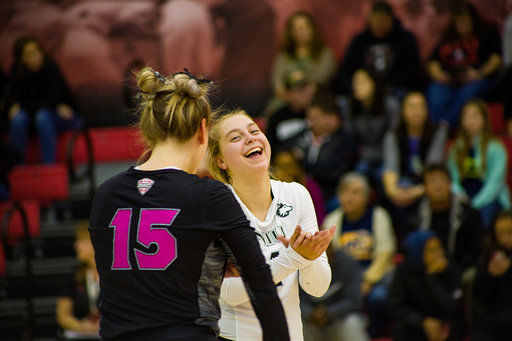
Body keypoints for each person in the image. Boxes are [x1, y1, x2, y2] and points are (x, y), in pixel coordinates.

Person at [89, 68, 290, 341]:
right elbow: (262, 287)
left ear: (149, 128)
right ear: (203, 129)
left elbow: (122, 286)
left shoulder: (107, 193)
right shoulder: (209, 195)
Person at [207, 109, 334, 341]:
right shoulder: (214, 206)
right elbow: (229, 293)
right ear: (220, 160)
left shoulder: (296, 195)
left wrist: (308, 257)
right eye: (236, 137)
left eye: (254, 131)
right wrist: (295, 257)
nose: (250, 138)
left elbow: (318, 288)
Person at [323, 172, 396, 338]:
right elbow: (329, 258)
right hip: (344, 279)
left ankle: (372, 335)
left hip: (375, 277)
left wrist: (368, 280)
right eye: (345, 191)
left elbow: (386, 253)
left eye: (355, 192)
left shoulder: (378, 216)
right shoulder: (331, 220)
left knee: (379, 297)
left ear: (366, 196)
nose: (349, 197)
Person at [426, 1, 502, 127]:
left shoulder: (487, 35)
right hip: (450, 81)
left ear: (473, 20)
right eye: (459, 21)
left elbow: (496, 59)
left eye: (465, 21)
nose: (462, 25)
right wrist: (440, 76)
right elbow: (433, 62)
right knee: (436, 92)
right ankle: (436, 127)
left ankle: (444, 126)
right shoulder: (448, 38)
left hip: (478, 80)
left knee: (467, 93)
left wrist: (480, 73)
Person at [8, 36, 82, 164]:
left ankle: (48, 167)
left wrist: (24, 106)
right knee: (18, 118)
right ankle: (17, 167)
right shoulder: (16, 72)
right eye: (30, 54)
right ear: (21, 59)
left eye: (38, 51)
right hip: (34, 117)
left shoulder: (51, 68)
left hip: (62, 117)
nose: (36, 56)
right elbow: (15, 98)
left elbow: (52, 100)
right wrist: (20, 107)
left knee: (42, 116)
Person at [284, 91, 358, 210]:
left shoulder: (345, 142)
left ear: (332, 118)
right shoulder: (306, 134)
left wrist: (303, 161)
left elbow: (333, 173)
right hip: (301, 191)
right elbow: (284, 146)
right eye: (310, 119)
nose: (311, 123)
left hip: (329, 195)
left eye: (315, 119)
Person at [333, 0, 422, 97]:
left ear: (391, 20)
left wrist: (385, 86)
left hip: (395, 90)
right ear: (370, 19)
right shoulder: (359, 41)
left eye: (383, 20)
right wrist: (357, 85)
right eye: (376, 20)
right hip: (363, 92)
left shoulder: (405, 40)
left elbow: (413, 73)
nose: (379, 25)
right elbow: (345, 72)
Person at [391, 230, 465, 341]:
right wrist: (423, 322)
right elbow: (397, 307)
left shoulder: (450, 268)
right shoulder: (404, 271)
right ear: (418, 251)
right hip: (418, 322)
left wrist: (432, 279)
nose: (438, 254)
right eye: (431, 250)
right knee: (400, 328)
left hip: (444, 322)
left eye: (439, 248)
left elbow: (453, 307)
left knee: (455, 326)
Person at [447, 100, 511, 228]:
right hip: (464, 196)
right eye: (467, 117)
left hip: (489, 197)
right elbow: (452, 179)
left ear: (484, 119)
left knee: (481, 219)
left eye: (475, 116)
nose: (471, 121)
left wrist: (475, 203)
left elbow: (495, 183)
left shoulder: (496, 148)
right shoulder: (456, 148)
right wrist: (461, 196)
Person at [410, 164, 483, 273]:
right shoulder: (415, 216)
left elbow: (476, 251)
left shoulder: (469, 214)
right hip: (425, 272)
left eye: (441, 180)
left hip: (461, 269)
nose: (438, 186)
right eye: (432, 181)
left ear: (450, 184)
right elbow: (412, 252)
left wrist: (451, 268)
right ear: (425, 187)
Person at [383, 92, 448, 210]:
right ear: (403, 111)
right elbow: (390, 169)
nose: (416, 112)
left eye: (421, 107)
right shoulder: (393, 135)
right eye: (412, 107)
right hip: (403, 182)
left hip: (428, 183)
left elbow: (433, 169)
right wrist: (394, 192)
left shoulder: (438, 132)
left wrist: (416, 191)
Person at [337, 68, 400, 184]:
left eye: (362, 82)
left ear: (374, 83)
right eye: (355, 82)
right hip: (362, 157)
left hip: (386, 155)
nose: (357, 86)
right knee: (353, 182)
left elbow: (393, 135)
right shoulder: (350, 106)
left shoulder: (389, 105)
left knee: (387, 180)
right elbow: (350, 134)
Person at [269, 11, 336, 113]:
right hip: (285, 106)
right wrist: (292, 97)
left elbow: (320, 81)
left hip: (315, 105)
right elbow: (278, 88)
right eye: (296, 28)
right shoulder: (283, 57)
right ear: (290, 32)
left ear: (312, 28)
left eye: (304, 26)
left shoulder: (325, 54)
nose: (301, 31)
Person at [300, 247, 370, 341]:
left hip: (339, 319)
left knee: (352, 323)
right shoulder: (299, 264)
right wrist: (310, 314)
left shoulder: (347, 263)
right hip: (310, 321)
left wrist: (329, 313)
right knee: (296, 323)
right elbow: (295, 301)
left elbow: (353, 301)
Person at [472, 210, 512, 341]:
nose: (506, 238)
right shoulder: (488, 256)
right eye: (501, 233)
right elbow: (480, 297)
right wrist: (490, 276)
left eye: (510, 232)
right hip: (495, 320)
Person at [56, 222, 100, 341]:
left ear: (94, 242)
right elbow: (62, 315)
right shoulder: (73, 276)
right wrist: (81, 327)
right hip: (82, 335)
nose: (76, 245)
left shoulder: (114, 275)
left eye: (81, 241)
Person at [272, 147, 326, 225]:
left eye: (289, 166)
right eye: (281, 167)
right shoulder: (271, 190)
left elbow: (320, 220)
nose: (285, 171)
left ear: (296, 167)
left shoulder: (310, 187)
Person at [266, 69, 316, 150]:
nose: (306, 93)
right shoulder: (277, 117)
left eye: (307, 87)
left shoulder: (321, 113)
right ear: (287, 94)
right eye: (299, 90)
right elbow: (270, 147)